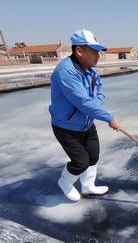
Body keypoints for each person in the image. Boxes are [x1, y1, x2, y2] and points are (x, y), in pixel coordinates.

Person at [49, 29, 120, 201]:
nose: (98, 56)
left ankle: (88, 186)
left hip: (86, 124)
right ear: (79, 51)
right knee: (81, 161)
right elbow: (83, 102)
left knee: (93, 155)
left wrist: (94, 106)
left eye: (98, 52)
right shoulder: (66, 72)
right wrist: (109, 117)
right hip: (66, 126)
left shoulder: (91, 71)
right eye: (94, 51)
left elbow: (99, 93)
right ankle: (65, 183)